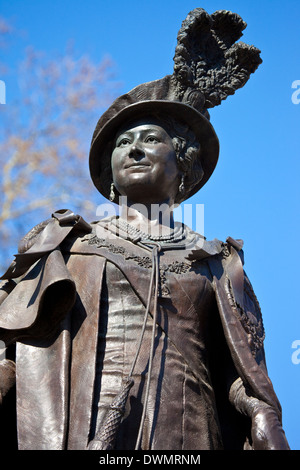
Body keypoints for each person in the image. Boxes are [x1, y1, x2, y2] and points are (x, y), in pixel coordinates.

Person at [0, 8, 290, 450]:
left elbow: (240, 373)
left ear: (183, 164)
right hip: (84, 427)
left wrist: (261, 414)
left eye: (150, 139)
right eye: (122, 143)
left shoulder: (216, 264)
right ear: (111, 176)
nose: (133, 148)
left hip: (188, 433)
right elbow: (12, 347)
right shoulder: (69, 245)